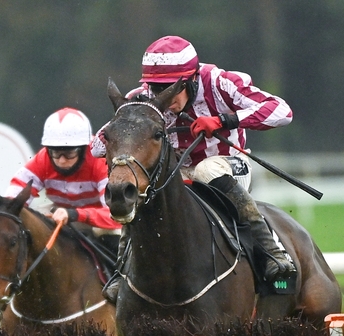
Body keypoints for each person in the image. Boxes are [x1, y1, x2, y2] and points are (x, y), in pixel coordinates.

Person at [93, 35, 296, 302]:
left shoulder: (220, 83)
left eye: (171, 89)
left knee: (207, 170)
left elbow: (282, 111)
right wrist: (123, 127)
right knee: (141, 186)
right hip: (178, 175)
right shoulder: (142, 99)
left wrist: (225, 120)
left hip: (229, 166)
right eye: (156, 88)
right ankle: (122, 272)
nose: (162, 97)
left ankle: (270, 251)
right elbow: (96, 148)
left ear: (191, 80)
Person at [6, 107, 121, 253]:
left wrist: (74, 214)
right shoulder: (43, 158)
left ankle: (121, 276)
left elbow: (114, 216)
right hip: (61, 213)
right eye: (56, 152)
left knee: (112, 235)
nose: (61, 160)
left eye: (69, 153)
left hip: (99, 222)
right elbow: (12, 200)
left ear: (83, 148)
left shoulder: (100, 160)